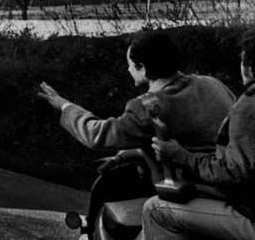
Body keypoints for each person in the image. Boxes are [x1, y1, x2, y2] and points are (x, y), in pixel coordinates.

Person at [139, 28, 255, 240]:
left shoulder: (249, 105)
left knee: (155, 209)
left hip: (250, 214)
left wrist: (181, 155)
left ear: (247, 65)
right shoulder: (218, 88)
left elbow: (232, 173)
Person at [38, 30, 234, 150]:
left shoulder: (146, 106)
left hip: (196, 184)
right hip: (234, 174)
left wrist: (64, 105)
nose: (128, 69)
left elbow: (97, 135)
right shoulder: (213, 83)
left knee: (151, 210)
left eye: (130, 65)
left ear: (143, 68)